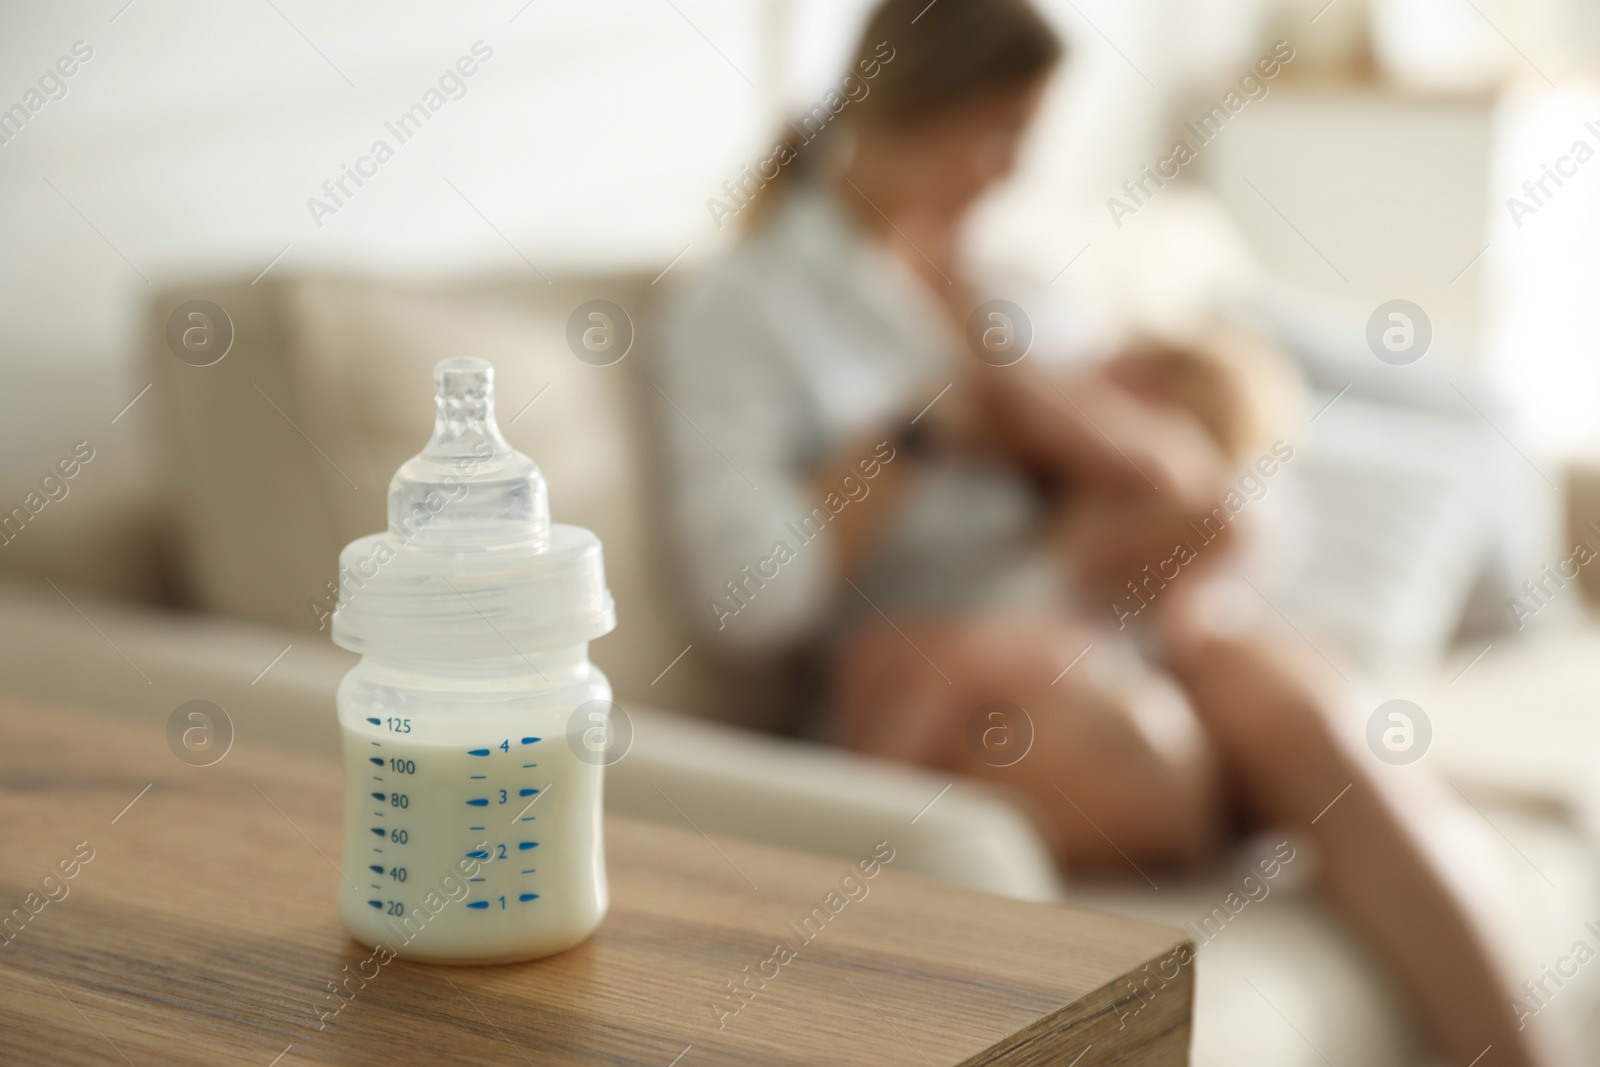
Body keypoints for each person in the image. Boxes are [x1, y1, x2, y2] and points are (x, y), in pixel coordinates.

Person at [656, 1, 1552, 1063]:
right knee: (1153, 756)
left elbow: (1229, 502)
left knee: (1315, 712)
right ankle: (1241, 779)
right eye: (994, 138)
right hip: (929, 677)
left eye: (1025, 143)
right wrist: (921, 434)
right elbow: (748, 601)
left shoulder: (1014, 290)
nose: (1007, 176)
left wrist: (1077, 436)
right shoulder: (743, 309)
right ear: (903, 104)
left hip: (1115, 631)